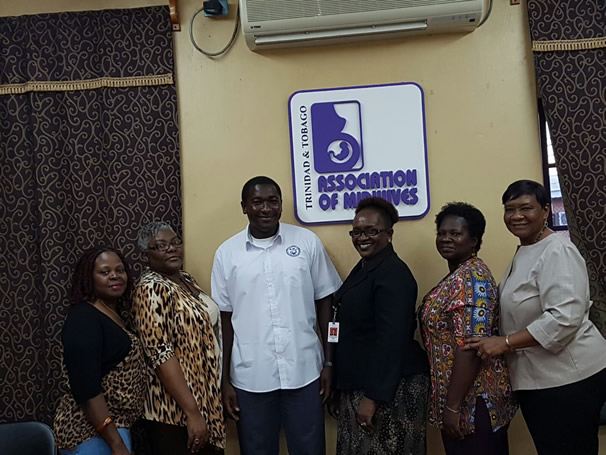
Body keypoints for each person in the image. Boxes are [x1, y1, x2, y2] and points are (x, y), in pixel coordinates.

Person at [464, 180, 606, 455]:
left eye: (526, 208)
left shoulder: (558, 250)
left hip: (568, 378)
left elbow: (564, 318)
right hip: (540, 381)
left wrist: (504, 342)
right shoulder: (528, 250)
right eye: (510, 209)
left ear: (545, 211)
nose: (516, 216)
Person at [211, 176, 342, 455]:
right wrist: (224, 380)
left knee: (310, 450)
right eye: (257, 202)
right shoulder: (227, 254)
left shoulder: (307, 242)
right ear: (244, 206)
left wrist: (329, 362)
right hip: (250, 376)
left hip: (305, 371)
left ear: (281, 205)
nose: (266, 208)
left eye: (273, 201)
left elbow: (327, 304)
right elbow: (224, 321)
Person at [333, 197, 429, 455]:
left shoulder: (393, 273)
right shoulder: (367, 267)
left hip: (389, 390)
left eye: (371, 231)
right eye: (356, 232)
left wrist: (373, 397)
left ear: (389, 234)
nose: (362, 238)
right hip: (363, 383)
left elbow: (392, 340)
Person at [419, 202, 517, 455]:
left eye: (455, 233)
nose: (446, 239)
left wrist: (452, 407)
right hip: (460, 399)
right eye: (442, 233)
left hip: (473, 402)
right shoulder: (458, 275)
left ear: (474, 241)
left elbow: (470, 347)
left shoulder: (471, 278)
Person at [132, 222, 225, 454]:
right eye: (160, 246)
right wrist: (192, 413)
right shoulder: (151, 288)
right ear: (145, 256)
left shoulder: (185, 279)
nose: (171, 249)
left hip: (204, 400)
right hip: (174, 412)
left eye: (175, 243)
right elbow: (160, 355)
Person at [54, 247, 146, 455]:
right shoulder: (84, 318)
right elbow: (86, 389)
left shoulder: (115, 314)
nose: (115, 275)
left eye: (120, 270)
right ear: (89, 278)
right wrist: (116, 443)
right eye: (105, 272)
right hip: (89, 433)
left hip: (114, 429)